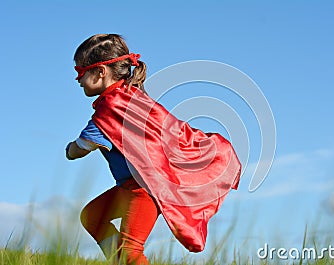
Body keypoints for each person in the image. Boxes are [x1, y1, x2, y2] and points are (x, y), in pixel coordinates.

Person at [66, 34, 241, 265]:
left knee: (131, 249)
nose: (77, 79)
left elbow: (78, 150)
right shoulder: (134, 99)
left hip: (143, 190)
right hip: (131, 187)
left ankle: (124, 260)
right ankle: (118, 261)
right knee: (92, 216)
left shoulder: (108, 112)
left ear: (100, 72)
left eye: (81, 71)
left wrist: (70, 148)